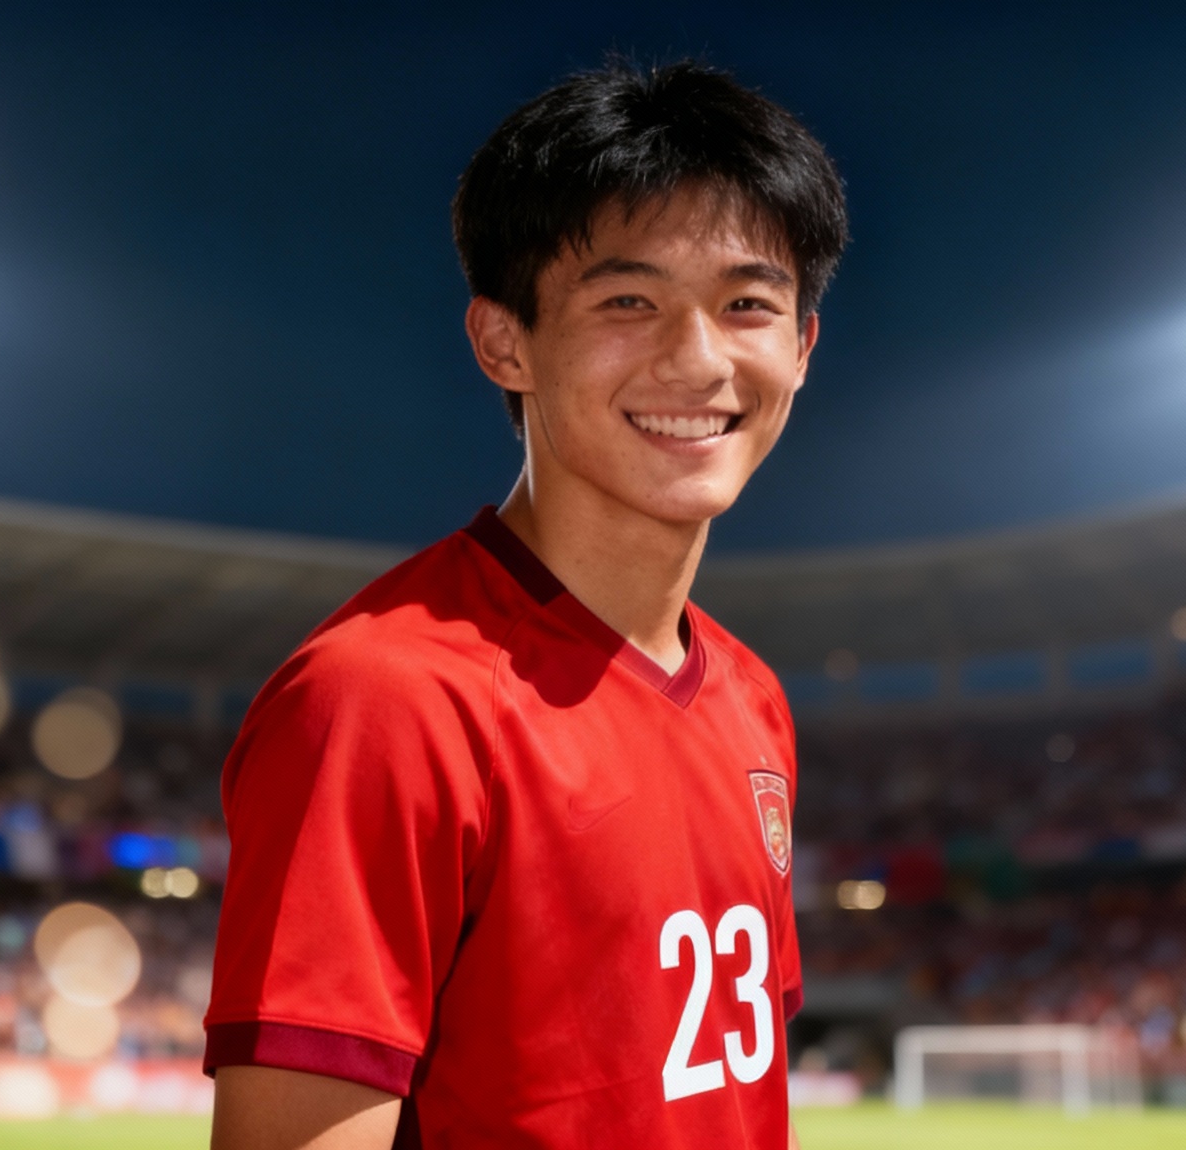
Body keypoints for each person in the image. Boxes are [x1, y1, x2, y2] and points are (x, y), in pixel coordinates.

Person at [206, 60, 847, 1150]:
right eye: (627, 301)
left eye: (746, 304)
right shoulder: (381, 701)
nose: (696, 360)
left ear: (800, 347)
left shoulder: (753, 700)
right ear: (503, 340)